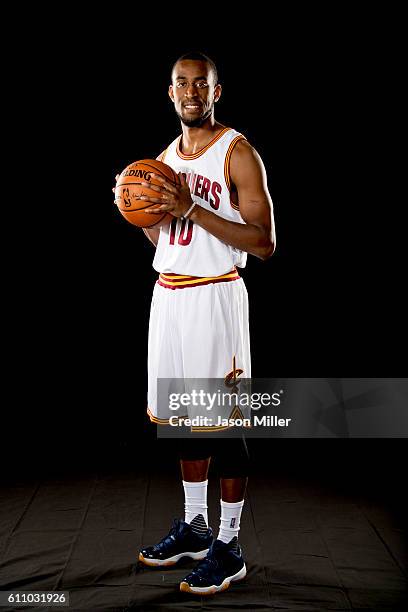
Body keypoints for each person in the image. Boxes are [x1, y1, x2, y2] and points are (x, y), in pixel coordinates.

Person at [134, 52, 276, 596]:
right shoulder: (164, 160)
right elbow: (168, 241)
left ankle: (230, 544)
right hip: (168, 298)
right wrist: (141, 212)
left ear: (216, 92)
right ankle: (195, 528)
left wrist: (193, 208)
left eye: (202, 84)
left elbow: (264, 243)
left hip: (216, 298)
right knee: (180, 421)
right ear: (169, 93)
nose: (191, 92)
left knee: (227, 424)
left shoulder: (238, 153)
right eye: (181, 84)